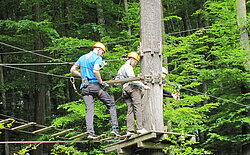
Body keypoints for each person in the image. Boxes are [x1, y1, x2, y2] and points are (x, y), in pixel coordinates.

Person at [70, 42, 120, 139]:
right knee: (111, 104)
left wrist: (82, 76)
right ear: (99, 49)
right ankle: (115, 129)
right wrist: (101, 82)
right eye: (102, 52)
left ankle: (90, 133)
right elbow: (95, 70)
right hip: (95, 86)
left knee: (89, 110)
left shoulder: (82, 57)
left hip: (85, 87)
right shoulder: (97, 58)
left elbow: (72, 70)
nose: (102, 54)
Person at [116, 52, 151, 135]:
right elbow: (133, 79)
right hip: (132, 88)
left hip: (125, 90)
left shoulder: (121, 68)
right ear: (131, 59)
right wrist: (143, 86)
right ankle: (140, 128)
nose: (135, 64)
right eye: (135, 62)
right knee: (138, 107)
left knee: (130, 110)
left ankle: (130, 130)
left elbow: (117, 81)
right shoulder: (128, 67)